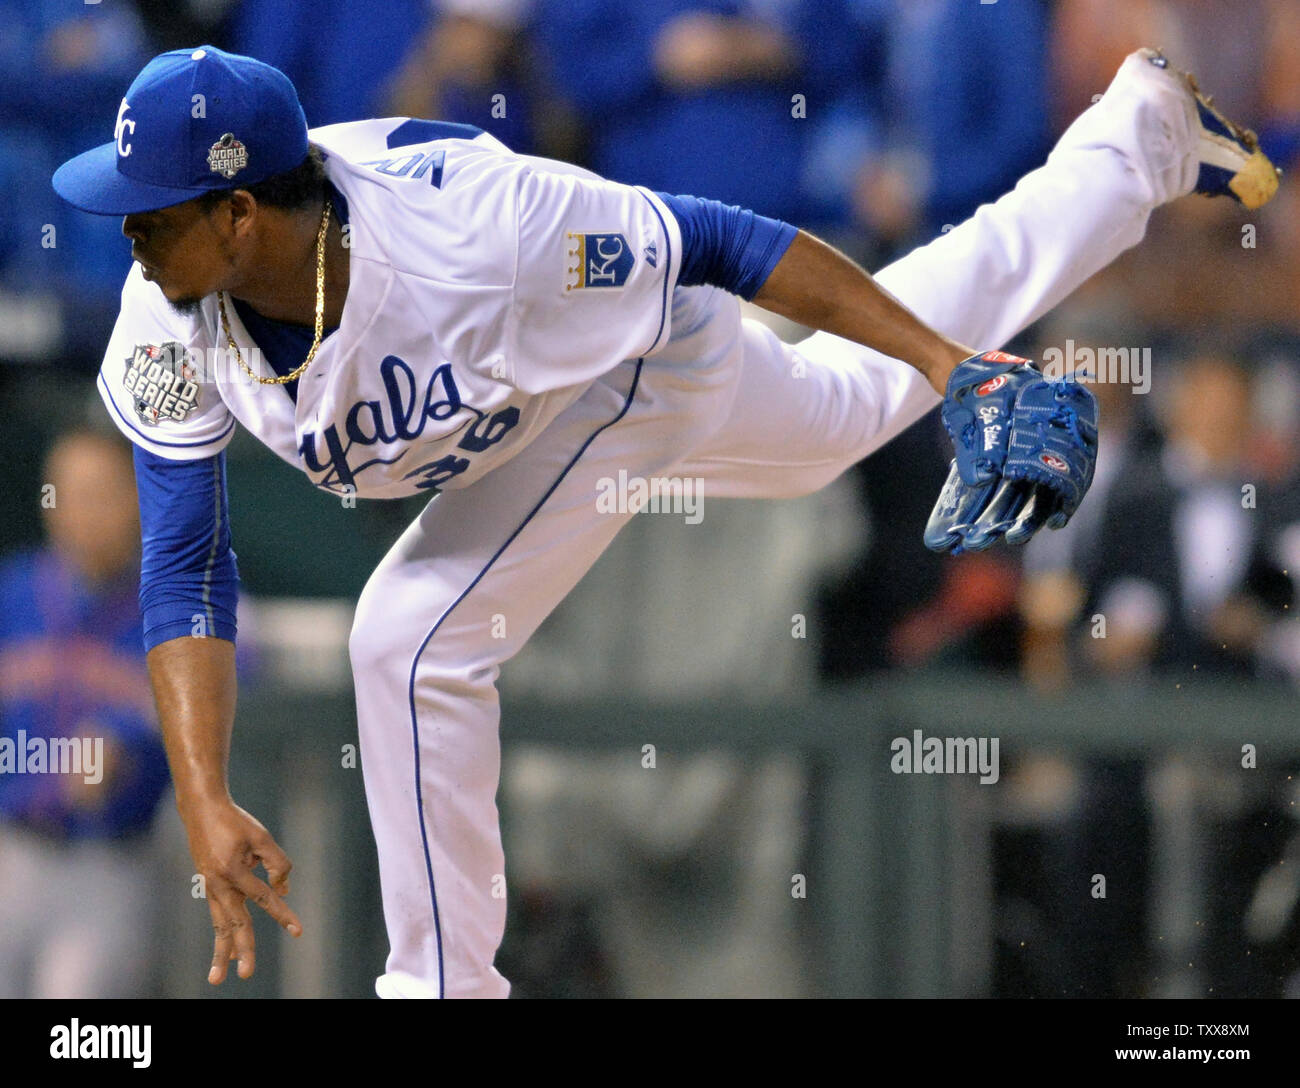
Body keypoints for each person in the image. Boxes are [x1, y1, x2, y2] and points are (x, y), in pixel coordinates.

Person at [51, 43, 1275, 997]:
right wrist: (204, 789)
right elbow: (183, 553)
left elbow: (719, 240)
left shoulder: (480, 229)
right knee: (846, 415)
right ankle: (1135, 145)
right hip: (535, 418)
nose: (130, 234)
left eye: (154, 210)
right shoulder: (166, 314)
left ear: (241, 214)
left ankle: (438, 988)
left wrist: (950, 370)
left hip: (631, 362)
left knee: (410, 638)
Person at [0, 427, 171, 997]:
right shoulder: (16, 592)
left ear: (135, 500)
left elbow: (241, 693)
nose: (82, 512)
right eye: (66, 493)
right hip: (13, 850)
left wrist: (128, 737)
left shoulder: (169, 601)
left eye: (101, 493)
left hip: (110, 860)